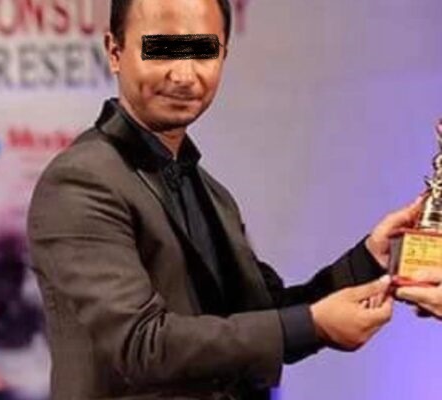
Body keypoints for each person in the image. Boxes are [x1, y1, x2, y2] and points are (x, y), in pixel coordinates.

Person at [27, 0, 420, 398]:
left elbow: (262, 316)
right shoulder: (81, 181)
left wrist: (370, 258)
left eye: (203, 51)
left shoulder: (212, 193)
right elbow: (142, 344)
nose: (184, 75)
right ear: (115, 51)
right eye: (162, 49)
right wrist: (313, 324)